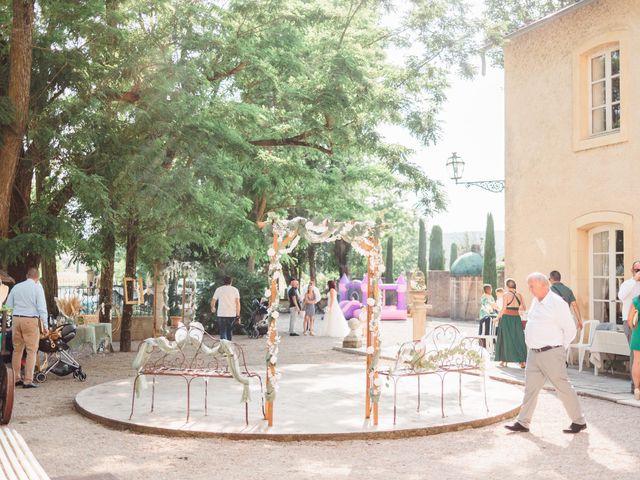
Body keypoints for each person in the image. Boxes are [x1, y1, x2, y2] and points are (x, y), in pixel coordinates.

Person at [505, 273, 587, 434]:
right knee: (530, 389)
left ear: (544, 285)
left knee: (562, 387)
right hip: (534, 353)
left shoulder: (558, 303)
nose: (530, 289)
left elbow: (570, 329)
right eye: (529, 286)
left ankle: (579, 421)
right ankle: (523, 422)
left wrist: (559, 349)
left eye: (532, 286)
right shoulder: (536, 301)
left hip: (551, 352)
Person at [4, 268, 48, 389]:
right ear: (37, 277)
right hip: (31, 320)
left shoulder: (17, 287)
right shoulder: (37, 288)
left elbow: (8, 306)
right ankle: (28, 380)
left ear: (26, 275)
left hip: (16, 320)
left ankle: (16, 378)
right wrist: (45, 325)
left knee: (17, 350)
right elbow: (42, 308)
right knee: (31, 351)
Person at [618, 260, 640, 394]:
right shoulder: (627, 284)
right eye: (636, 270)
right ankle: (635, 386)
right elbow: (621, 296)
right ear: (632, 271)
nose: (639, 272)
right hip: (630, 321)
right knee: (635, 353)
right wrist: (634, 280)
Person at [495, 278, 528, 368]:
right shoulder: (519, 295)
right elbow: (524, 308)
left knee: (506, 338)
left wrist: (497, 318)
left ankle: (504, 361)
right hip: (516, 318)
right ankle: (522, 362)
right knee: (518, 338)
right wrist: (516, 309)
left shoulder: (506, 295)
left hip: (506, 318)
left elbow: (504, 308)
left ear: (507, 286)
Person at [210, 276, 240, 341]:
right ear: (231, 282)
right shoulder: (235, 290)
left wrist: (213, 308)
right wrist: (238, 315)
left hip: (221, 314)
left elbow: (213, 301)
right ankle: (229, 347)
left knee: (222, 332)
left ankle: (224, 347)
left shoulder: (218, 289)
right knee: (229, 332)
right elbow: (238, 303)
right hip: (231, 314)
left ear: (223, 282)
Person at [625, 294, 640, 400]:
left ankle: (637, 389)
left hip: (637, 333)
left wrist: (635, 330)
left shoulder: (636, 300)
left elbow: (629, 320)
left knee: (637, 361)